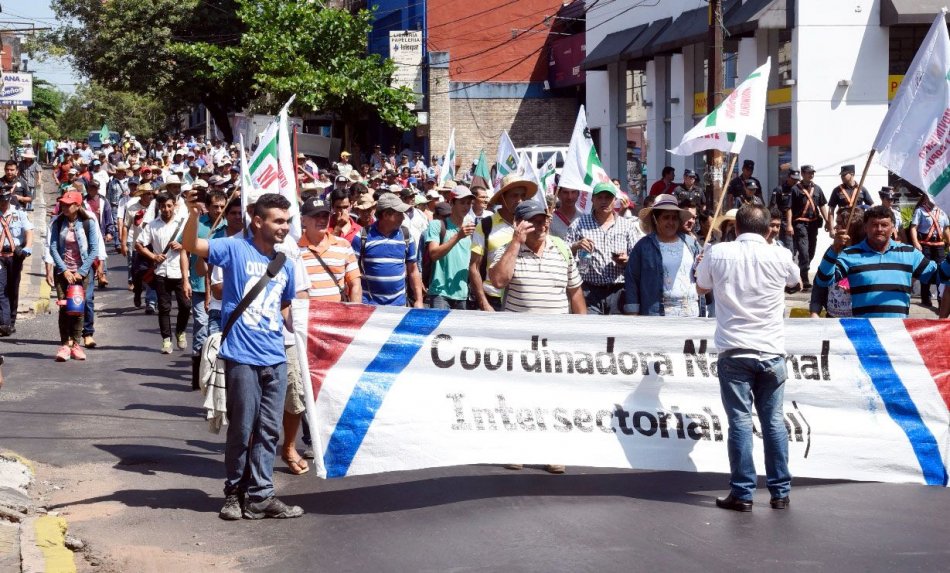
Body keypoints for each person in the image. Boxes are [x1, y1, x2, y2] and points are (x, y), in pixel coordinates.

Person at [183, 191, 303, 521]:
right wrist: (193, 215)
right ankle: (234, 492)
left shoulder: (285, 265)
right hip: (242, 357)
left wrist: (312, 332)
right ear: (258, 220)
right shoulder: (234, 248)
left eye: (287, 221)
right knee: (242, 428)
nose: (284, 226)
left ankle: (261, 495)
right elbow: (194, 246)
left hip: (275, 358)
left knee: (269, 431)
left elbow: (286, 307)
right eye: (278, 221)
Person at [695, 204, 800, 512]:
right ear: (769, 230)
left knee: (740, 422)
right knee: (774, 422)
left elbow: (701, 287)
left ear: (736, 227)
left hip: (735, 350)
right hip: (770, 350)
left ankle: (742, 493)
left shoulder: (718, 252)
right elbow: (795, 282)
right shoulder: (780, 254)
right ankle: (780, 491)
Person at [815, 205, 945, 317]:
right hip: (864, 333)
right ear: (865, 227)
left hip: (898, 333)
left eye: (884, 225)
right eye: (874, 225)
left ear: (893, 227)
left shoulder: (909, 254)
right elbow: (823, 280)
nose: (879, 229)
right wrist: (834, 250)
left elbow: (939, 275)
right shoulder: (850, 254)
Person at [567, 181, 644, 315]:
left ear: (615, 200)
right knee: (592, 332)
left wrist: (627, 260)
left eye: (608, 198)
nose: (604, 201)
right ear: (593, 199)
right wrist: (575, 246)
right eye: (600, 197)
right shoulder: (579, 223)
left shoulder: (627, 226)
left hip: (618, 291)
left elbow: (637, 257)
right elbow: (564, 252)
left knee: (616, 332)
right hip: (589, 290)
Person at [623, 194, 703, 317]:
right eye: (666, 218)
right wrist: (633, 311)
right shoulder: (643, 246)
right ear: (656, 219)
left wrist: (704, 264)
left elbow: (703, 273)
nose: (671, 222)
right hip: (658, 316)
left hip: (691, 314)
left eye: (674, 218)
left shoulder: (691, 243)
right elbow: (632, 279)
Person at [48, 191, 102, 362]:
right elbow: (53, 248)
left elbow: (94, 249)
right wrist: (64, 270)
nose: (64, 206)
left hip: (82, 273)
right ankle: (65, 345)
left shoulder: (88, 223)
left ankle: (76, 345)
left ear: (77, 206)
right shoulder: (57, 223)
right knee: (64, 308)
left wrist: (81, 272)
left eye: (68, 204)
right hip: (63, 272)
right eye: (62, 204)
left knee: (78, 308)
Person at [136, 193, 190, 354]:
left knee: (185, 306)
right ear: (158, 207)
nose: (166, 209)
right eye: (163, 206)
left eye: (169, 206)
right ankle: (166, 340)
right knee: (164, 308)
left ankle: (180, 331)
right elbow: (139, 244)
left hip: (181, 271)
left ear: (175, 205)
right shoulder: (153, 225)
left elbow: (193, 242)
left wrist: (182, 245)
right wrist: (153, 256)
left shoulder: (183, 223)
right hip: (161, 272)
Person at [470, 174, 531, 311]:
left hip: (522, 299)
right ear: (502, 198)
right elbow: (474, 267)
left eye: (522, 196)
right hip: (493, 300)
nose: (520, 200)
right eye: (514, 196)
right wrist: (484, 303)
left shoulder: (531, 225)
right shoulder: (486, 225)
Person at [350, 193, 424, 307]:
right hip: (369, 306)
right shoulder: (362, 236)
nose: (403, 217)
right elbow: (353, 274)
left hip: (399, 306)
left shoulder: (406, 235)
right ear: (386, 215)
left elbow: (413, 270)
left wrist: (419, 300)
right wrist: (356, 304)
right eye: (399, 214)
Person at [425, 186, 476, 309]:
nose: (466, 206)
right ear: (452, 203)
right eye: (462, 202)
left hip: (462, 293)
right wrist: (458, 236)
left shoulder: (472, 229)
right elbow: (434, 254)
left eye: (469, 203)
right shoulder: (437, 225)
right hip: (440, 293)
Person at [810, 208, 865, 318]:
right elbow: (819, 282)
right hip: (832, 318)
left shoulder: (865, 254)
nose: (835, 227)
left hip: (856, 319)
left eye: (839, 223)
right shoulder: (833, 251)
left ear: (852, 226)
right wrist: (815, 311)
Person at [787, 165, 829, 291]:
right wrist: (789, 225)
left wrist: (828, 221)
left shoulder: (817, 189)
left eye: (812, 173)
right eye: (808, 173)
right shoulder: (795, 189)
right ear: (803, 174)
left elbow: (822, 205)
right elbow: (789, 208)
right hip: (800, 224)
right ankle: (804, 278)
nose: (811, 175)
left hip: (813, 224)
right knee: (804, 252)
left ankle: (802, 271)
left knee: (811, 251)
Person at [0, 188, 33, 336]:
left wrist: (28, 247)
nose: (3, 203)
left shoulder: (19, 213)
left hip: (15, 255)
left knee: (13, 288)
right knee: (1, 289)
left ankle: (11, 321)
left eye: (5, 200)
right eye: (1, 200)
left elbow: (29, 231)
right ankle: (4, 323)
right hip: (0, 255)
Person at [908, 194, 949, 307]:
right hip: (925, 244)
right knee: (925, 270)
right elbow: (913, 228)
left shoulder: (942, 211)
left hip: (939, 245)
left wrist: (949, 242)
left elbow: (946, 229)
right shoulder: (920, 211)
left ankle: (941, 299)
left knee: (942, 271)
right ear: (926, 198)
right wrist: (916, 242)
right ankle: (926, 297)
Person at [827, 164, 872, 229]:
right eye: (841, 175)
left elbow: (871, 205)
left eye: (844, 175)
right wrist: (831, 229)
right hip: (843, 223)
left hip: (858, 223)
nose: (842, 177)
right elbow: (831, 210)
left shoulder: (861, 189)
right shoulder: (837, 190)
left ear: (852, 174)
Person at [768, 170, 799, 250]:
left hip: (798, 222)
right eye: (793, 179)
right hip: (784, 222)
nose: (795, 181)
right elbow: (773, 206)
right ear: (788, 177)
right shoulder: (779, 189)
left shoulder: (799, 189)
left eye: (797, 179)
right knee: (789, 247)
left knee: (800, 248)